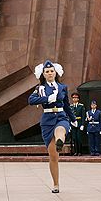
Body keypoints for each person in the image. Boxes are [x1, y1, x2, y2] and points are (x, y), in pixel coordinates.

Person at [28, 60, 76, 193]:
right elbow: (30, 100)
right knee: (53, 156)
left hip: (61, 116)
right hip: (47, 120)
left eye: (51, 71)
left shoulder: (62, 87)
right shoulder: (40, 89)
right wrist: (47, 99)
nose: (50, 73)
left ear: (56, 73)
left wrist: (72, 119)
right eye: (47, 71)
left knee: (60, 129)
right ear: (43, 74)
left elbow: (66, 104)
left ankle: (60, 140)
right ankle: (56, 184)